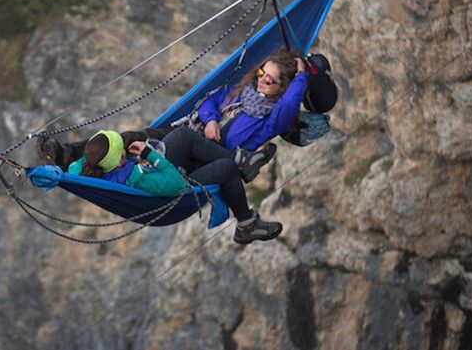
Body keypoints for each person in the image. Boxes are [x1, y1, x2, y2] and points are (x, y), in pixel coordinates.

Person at [40, 47, 307, 181]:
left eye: (270, 80)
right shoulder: (242, 93)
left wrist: (301, 75)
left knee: (140, 153)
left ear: (283, 88)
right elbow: (208, 101)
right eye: (261, 73)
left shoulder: (272, 118)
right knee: (134, 136)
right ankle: (69, 155)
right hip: (191, 128)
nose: (261, 80)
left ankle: (91, 176)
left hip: (204, 154)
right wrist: (212, 119)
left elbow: (290, 104)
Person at [69, 127, 283, 244]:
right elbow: (177, 184)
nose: (124, 148)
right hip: (172, 195)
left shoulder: (87, 169)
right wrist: (147, 154)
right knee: (227, 168)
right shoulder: (136, 176)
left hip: (156, 176)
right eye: (121, 149)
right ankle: (247, 225)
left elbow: (75, 167)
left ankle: (243, 162)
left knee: (183, 136)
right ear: (118, 161)